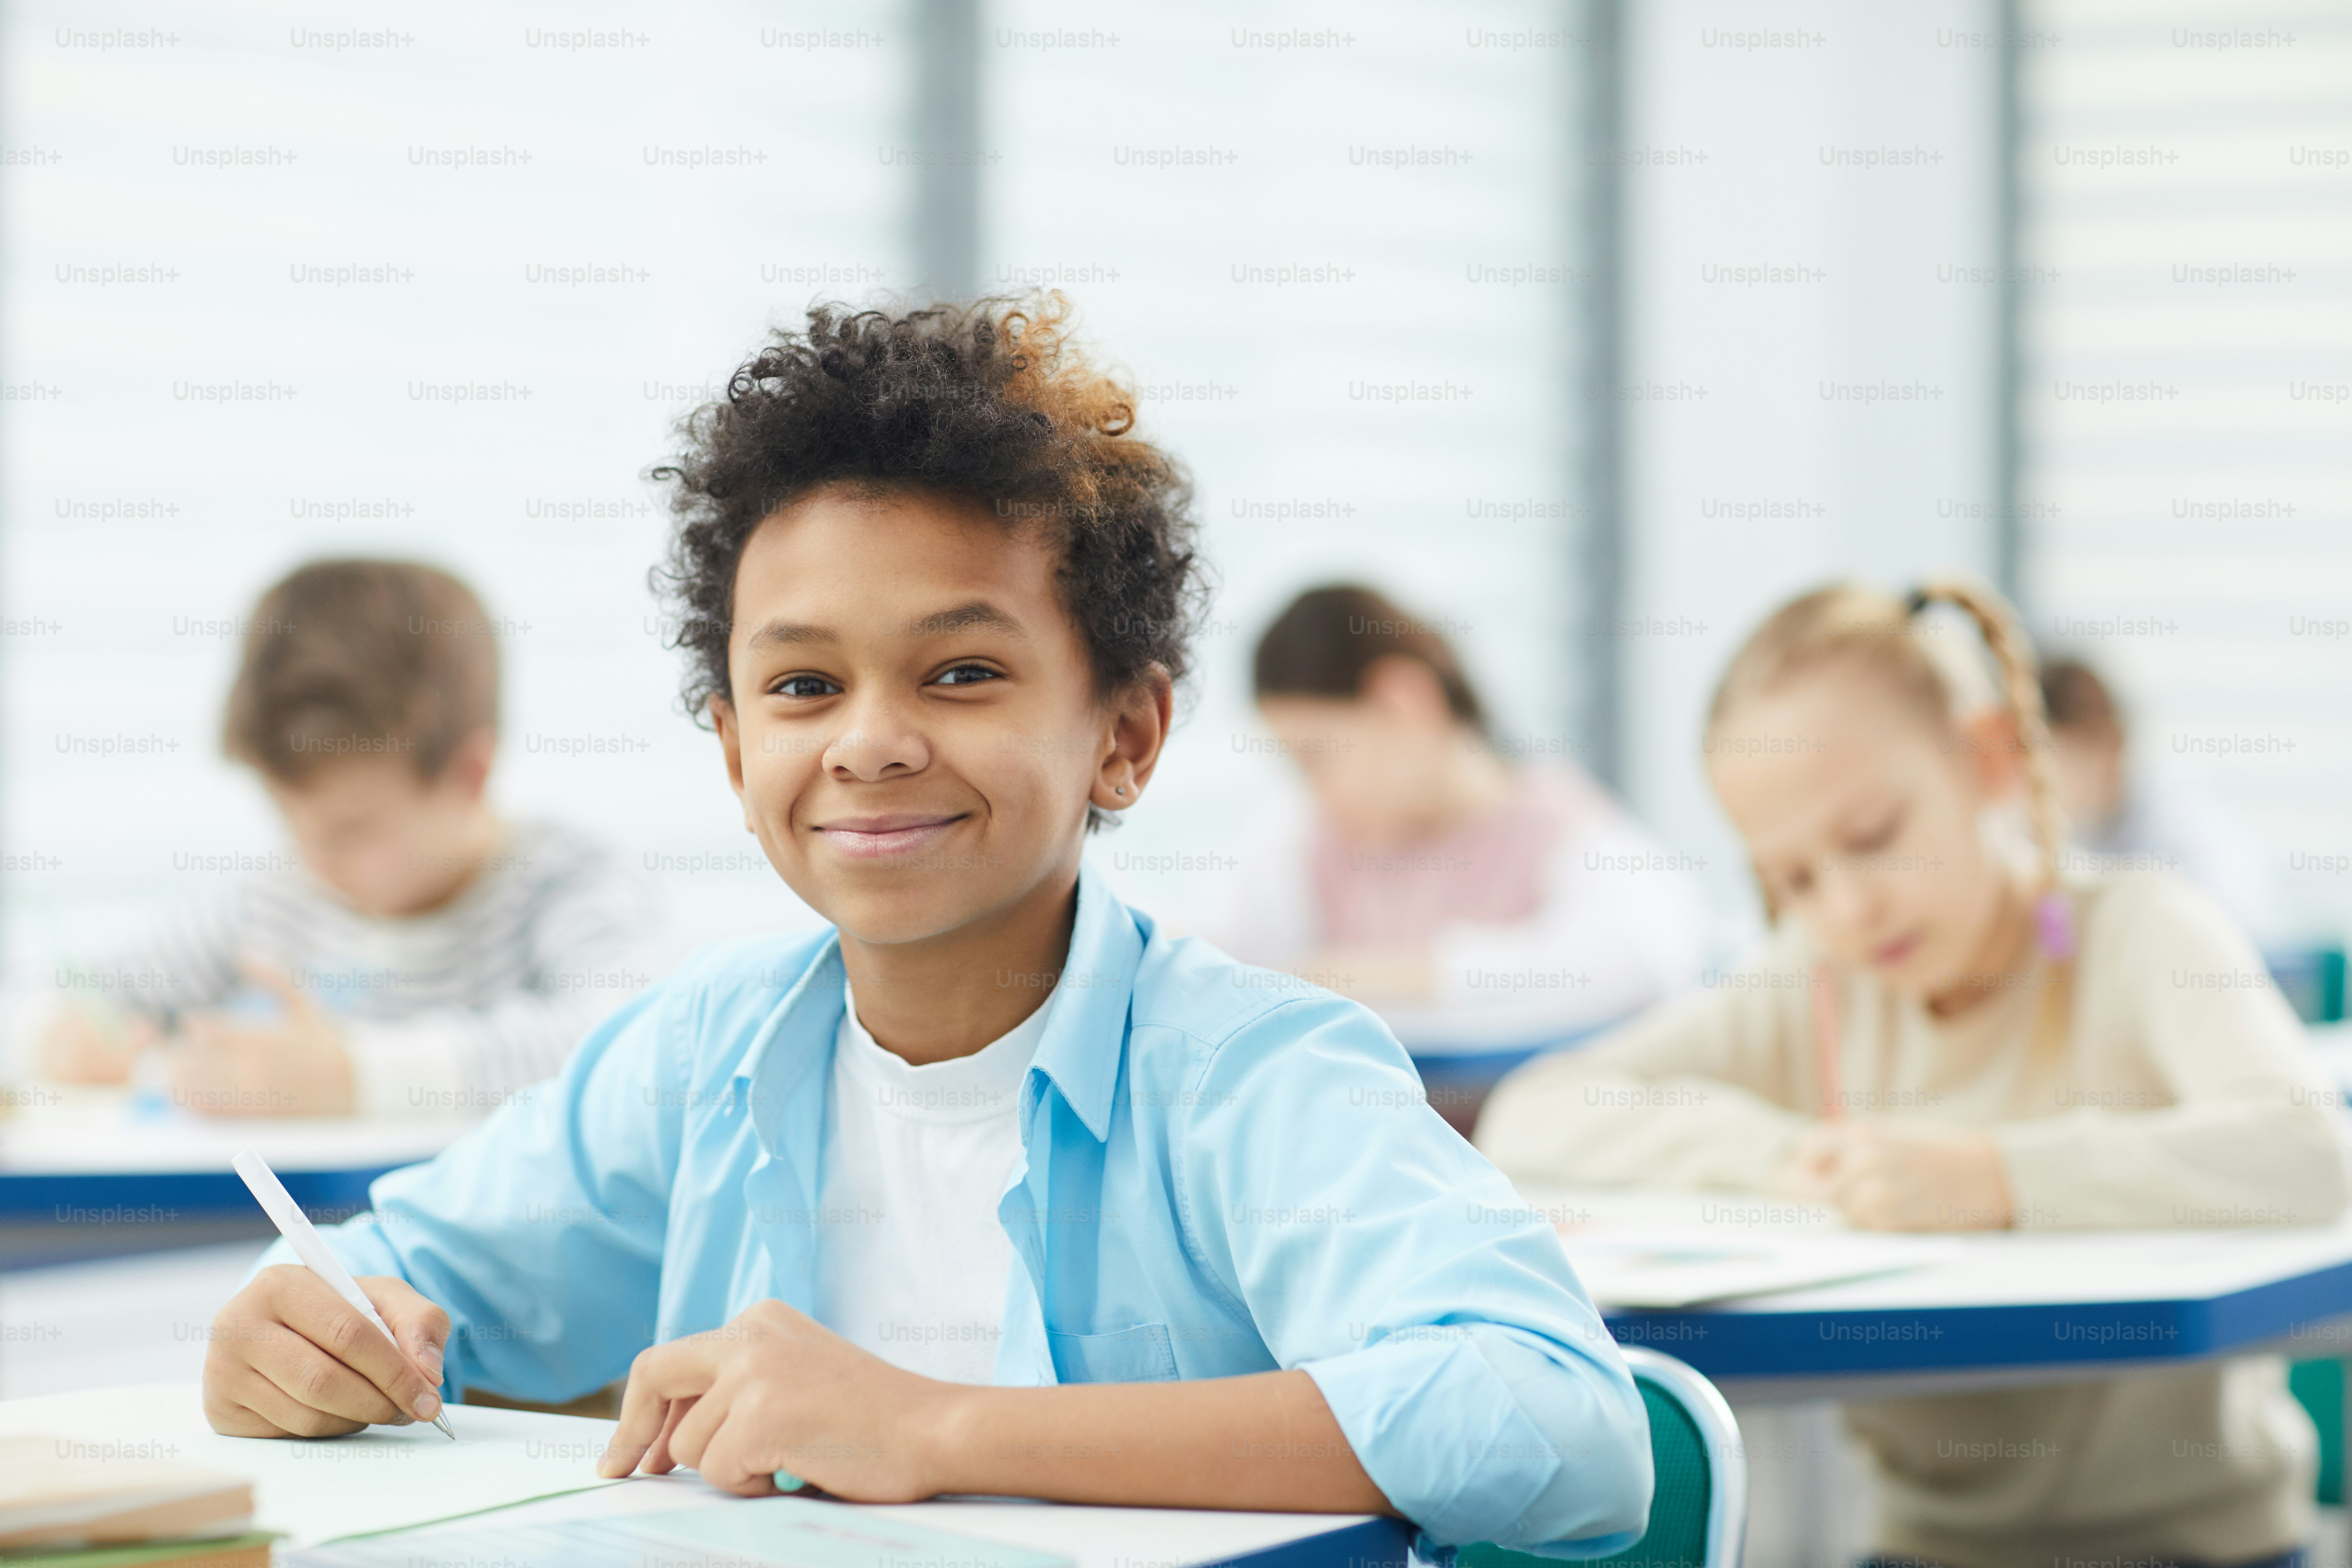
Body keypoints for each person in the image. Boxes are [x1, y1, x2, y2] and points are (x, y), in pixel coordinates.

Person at [194, 298, 1652, 1556]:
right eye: (804, 686)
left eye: (961, 672)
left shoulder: (1252, 1075)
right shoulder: (704, 1049)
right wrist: (303, 1330)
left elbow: (1561, 1420)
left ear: (1126, 735)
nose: (870, 744)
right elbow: (394, 1279)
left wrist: (941, 1425)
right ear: (730, 750)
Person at [1476, 579, 2345, 1568]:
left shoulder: (2143, 931)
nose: (1846, 907)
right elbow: (1536, 1111)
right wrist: (1790, 1156)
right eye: (1793, 878)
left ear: (1989, 761)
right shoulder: (1818, 977)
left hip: (2203, 1552)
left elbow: (2304, 1150)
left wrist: (1998, 1178)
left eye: (1872, 840)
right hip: (1925, 1552)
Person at [37, 560, 658, 1118]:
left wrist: (355, 1078)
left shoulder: (566, 885)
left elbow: (625, 1043)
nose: (314, 857)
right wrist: (85, 1033)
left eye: (351, 831)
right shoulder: (279, 900)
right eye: (290, 824)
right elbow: (106, 992)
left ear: (468, 775)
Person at [1206, 584, 1703, 1052]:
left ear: (1403, 703)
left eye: (1317, 757)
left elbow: (1645, 962)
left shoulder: (1560, 824)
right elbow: (1225, 959)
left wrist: (1398, 976)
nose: (1315, 790)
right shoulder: (1309, 834)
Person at [2042, 654, 2286, 946]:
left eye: (2058, 758)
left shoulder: (2178, 814)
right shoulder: (2070, 830)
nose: (2042, 781)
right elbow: (2054, 943)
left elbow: (2234, 926)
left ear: (2107, 745)